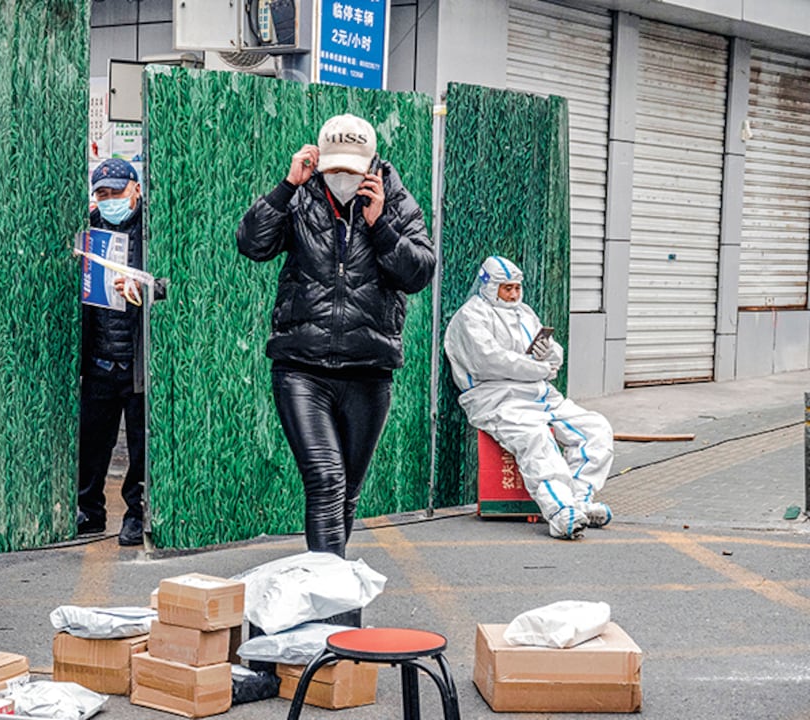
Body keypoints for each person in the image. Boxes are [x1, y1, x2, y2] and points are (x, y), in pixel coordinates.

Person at [235, 114, 436, 558]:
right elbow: (252, 244)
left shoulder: (396, 200)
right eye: (335, 169)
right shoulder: (301, 194)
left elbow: (419, 271)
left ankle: (329, 596)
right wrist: (287, 185)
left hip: (369, 370)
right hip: (301, 369)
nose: (342, 178)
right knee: (325, 479)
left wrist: (380, 223)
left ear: (371, 164)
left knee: (345, 492)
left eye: (352, 169)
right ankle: (331, 602)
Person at [444, 256, 614, 540]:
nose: (513, 294)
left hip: (540, 393)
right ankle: (560, 512)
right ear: (489, 286)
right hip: (496, 399)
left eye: (516, 288)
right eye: (506, 288)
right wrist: (538, 368)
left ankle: (580, 501)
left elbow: (549, 348)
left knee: (595, 428)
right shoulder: (471, 317)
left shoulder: (524, 313)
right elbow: (489, 361)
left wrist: (550, 355)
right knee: (537, 438)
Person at [77, 158, 166, 546]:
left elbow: (171, 281)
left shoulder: (154, 230)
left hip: (136, 361)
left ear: (137, 189)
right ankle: (89, 512)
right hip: (98, 358)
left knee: (139, 445)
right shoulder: (89, 230)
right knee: (92, 444)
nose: (110, 199)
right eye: (103, 193)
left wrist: (146, 290)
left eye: (117, 191)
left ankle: (136, 513)